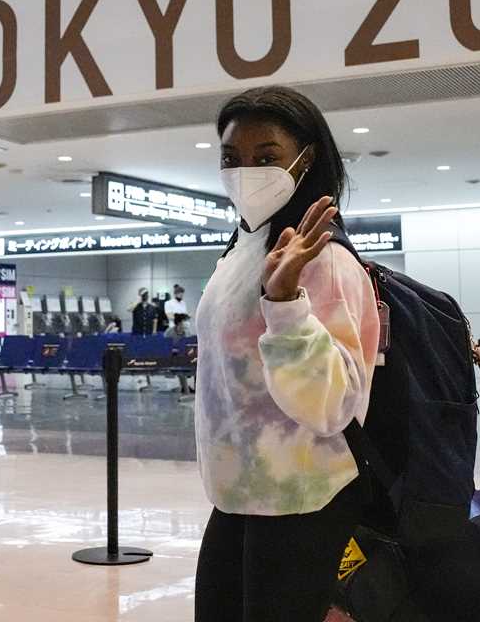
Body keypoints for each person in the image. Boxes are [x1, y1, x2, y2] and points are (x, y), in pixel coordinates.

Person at [193, 86, 379, 622]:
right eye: (232, 158)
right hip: (240, 492)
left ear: (307, 158)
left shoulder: (326, 262)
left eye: (266, 157)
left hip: (303, 496)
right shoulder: (242, 248)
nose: (245, 172)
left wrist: (285, 304)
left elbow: (333, 406)